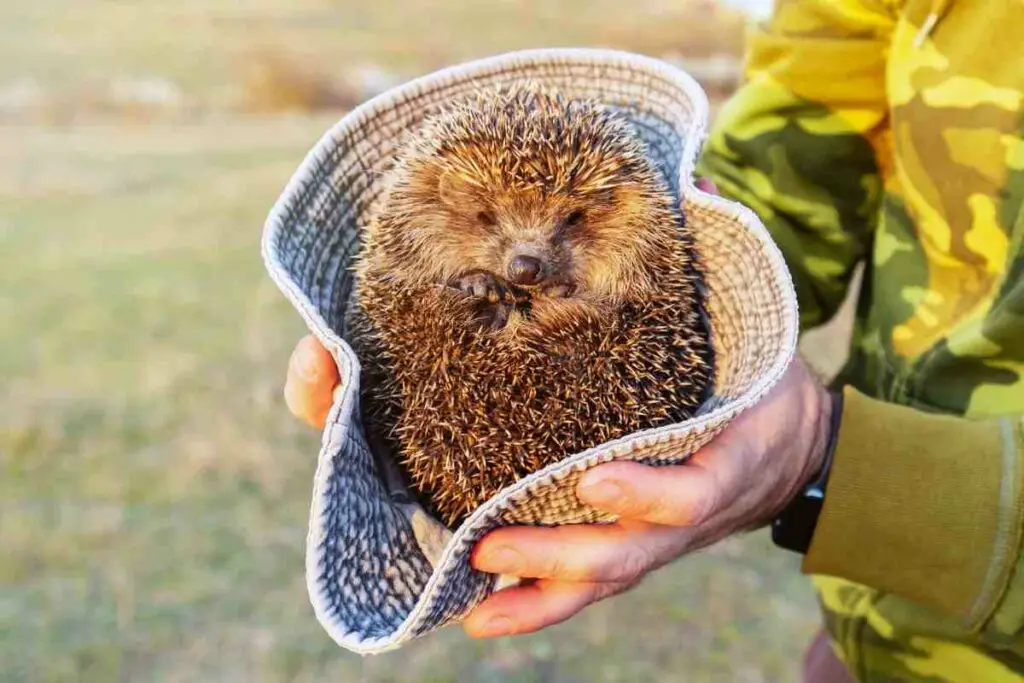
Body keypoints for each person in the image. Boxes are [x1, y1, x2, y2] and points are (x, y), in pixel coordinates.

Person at [283, 0, 1024, 679]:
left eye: (569, 222)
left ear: (603, 206)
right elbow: (790, 159)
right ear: (451, 201)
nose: (526, 256)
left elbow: (644, 296)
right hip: (865, 630)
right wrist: (717, 228)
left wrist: (838, 460)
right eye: (490, 224)